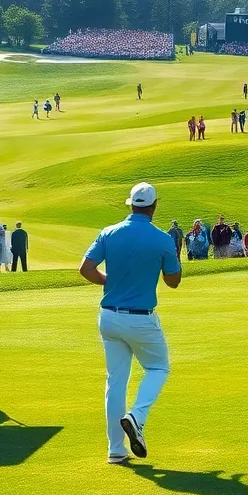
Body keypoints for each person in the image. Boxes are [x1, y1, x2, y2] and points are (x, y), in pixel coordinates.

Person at [80, 182, 181, 464]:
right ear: (155, 205)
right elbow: (173, 282)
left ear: (131, 205)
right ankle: (137, 416)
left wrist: (107, 280)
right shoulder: (162, 239)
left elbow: (86, 269)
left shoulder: (109, 233)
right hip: (141, 318)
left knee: (115, 382)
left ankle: (116, 449)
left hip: (109, 317)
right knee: (158, 367)